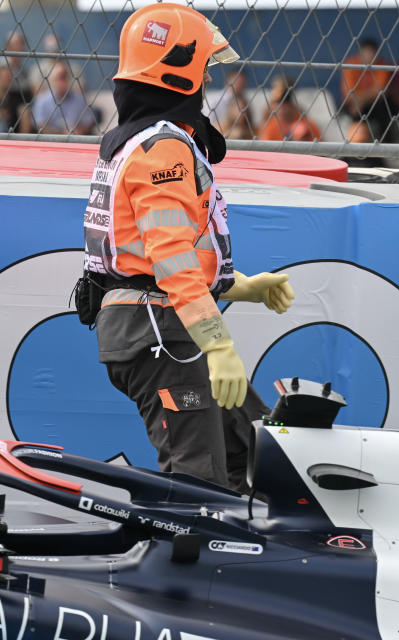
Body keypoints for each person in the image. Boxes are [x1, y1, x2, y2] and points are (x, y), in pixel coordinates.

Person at [81, 3, 295, 493]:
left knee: (252, 448)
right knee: (198, 484)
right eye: (202, 68)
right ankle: (189, 563)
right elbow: (171, 259)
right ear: (177, 75)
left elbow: (153, 260)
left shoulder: (140, 140)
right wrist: (219, 343)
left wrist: (243, 287)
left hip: (155, 327)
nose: (206, 83)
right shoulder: (165, 148)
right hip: (160, 335)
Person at [29, 59, 96, 134]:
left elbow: (88, 123)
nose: (62, 82)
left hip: (75, 140)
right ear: (52, 80)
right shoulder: (42, 100)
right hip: (50, 140)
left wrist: (78, 131)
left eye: (65, 77)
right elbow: (39, 124)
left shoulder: (79, 99)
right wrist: (61, 133)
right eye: (59, 78)